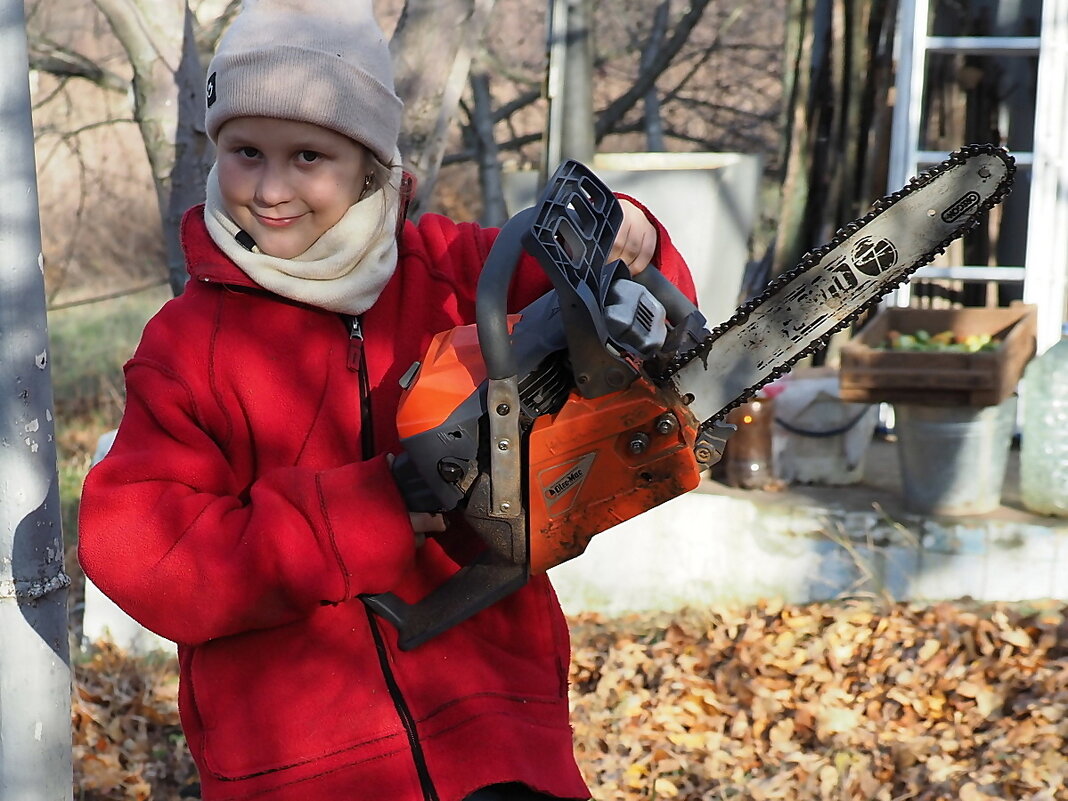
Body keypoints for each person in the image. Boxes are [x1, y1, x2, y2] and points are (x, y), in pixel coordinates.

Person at [77, 1, 697, 800]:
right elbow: (145, 552)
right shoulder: (189, 343)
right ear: (213, 151)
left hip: (502, 730)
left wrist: (635, 242)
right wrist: (362, 511)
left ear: (370, 162)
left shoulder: (456, 271)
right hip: (303, 764)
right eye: (244, 152)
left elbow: (641, 317)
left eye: (308, 155)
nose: (271, 188)